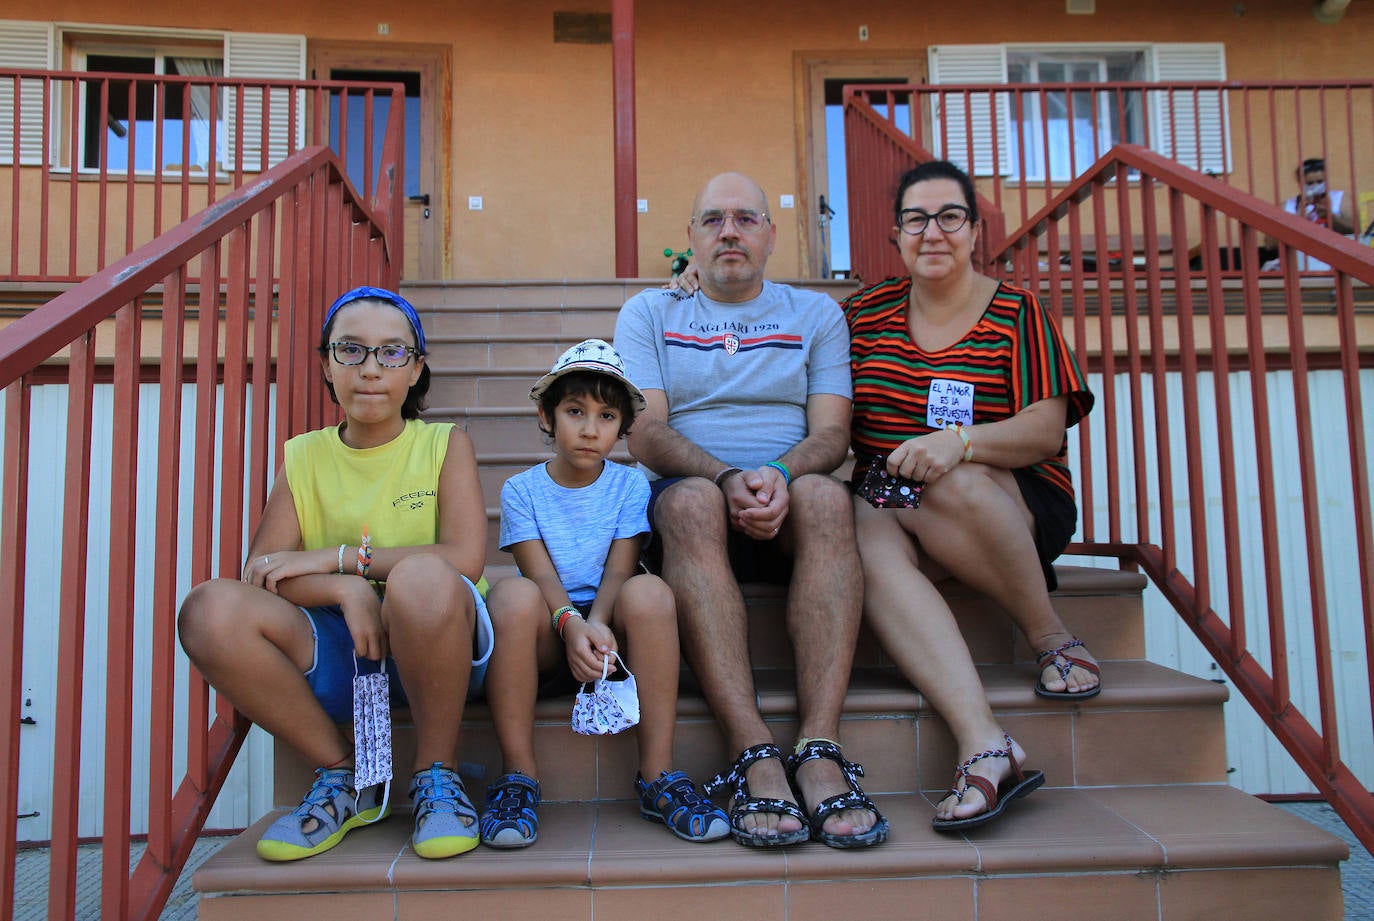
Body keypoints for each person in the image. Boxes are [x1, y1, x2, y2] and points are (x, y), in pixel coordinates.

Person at [614, 172, 888, 849]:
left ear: (771, 235)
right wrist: (727, 474)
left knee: (828, 494)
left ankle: (820, 747)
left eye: (744, 218)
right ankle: (754, 752)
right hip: (691, 498)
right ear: (691, 240)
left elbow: (833, 432)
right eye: (712, 219)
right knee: (692, 503)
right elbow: (644, 433)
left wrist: (778, 474)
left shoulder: (815, 313)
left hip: (791, 496)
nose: (728, 230)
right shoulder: (650, 312)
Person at [177, 285, 494, 861]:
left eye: (392, 353)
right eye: (351, 350)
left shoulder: (445, 445)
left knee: (422, 577)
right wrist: (346, 590)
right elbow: (263, 570)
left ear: (416, 368)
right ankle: (345, 775)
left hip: (439, 646)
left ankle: (435, 773)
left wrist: (344, 559)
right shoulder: (305, 455)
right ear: (325, 362)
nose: (371, 369)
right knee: (208, 609)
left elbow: (465, 558)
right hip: (344, 655)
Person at [841, 159, 1096, 829]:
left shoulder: (1018, 312)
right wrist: (695, 292)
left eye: (949, 216)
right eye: (916, 219)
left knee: (947, 480)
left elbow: (1045, 429)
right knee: (866, 519)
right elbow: (789, 360)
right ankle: (984, 740)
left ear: (974, 229)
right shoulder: (862, 316)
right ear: (896, 235)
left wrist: (959, 441)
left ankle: (1050, 635)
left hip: (1011, 504)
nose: (933, 232)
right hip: (895, 508)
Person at [479, 339, 730, 848]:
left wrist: (597, 627)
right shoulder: (521, 490)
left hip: (612, 634)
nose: (590, 429)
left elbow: (619, 569)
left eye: (606, 415)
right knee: (510, 597)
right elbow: (539, 575)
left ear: (622, 426)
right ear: (547, 417)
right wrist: (571, 625)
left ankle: (657, 774)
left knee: (651, 593)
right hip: (551, 632)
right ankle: (517, 777)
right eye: (575, 411)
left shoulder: (630, 485)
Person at [1263, 157, 1357, 271]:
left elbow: (1355, 229)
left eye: (1320, 182)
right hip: (1298, 263)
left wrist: (1331, 218)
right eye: (1310, 183)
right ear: (1300, 183)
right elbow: (1270, 244)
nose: (1315, 186)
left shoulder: (1340, 199)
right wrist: (1296, 220)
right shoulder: (1287, 206)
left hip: (1335, 259)